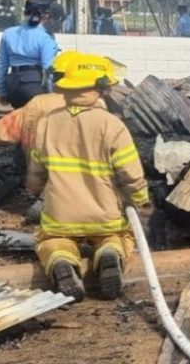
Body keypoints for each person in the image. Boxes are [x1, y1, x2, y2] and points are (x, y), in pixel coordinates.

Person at [27, 53, 149, 301]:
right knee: (117, 237)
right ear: (100, 88)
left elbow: (36, 172)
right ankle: (108, 254)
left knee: (52, 241)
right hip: (104, 213)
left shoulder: (47, 123)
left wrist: (37, 191)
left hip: (60, 213)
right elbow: (131, 173)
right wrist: (139, 198)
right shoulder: (112, 125)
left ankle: (62, 261)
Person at [0, 0, 59, 109]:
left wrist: (2, 92)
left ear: (25, 12)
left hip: (12, 86)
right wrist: (51, 94)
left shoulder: (8, 33)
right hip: (33, 85)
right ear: (47, 15)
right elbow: (47, 68)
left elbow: (0, 65)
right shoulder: (46, 38)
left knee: (21, 122)